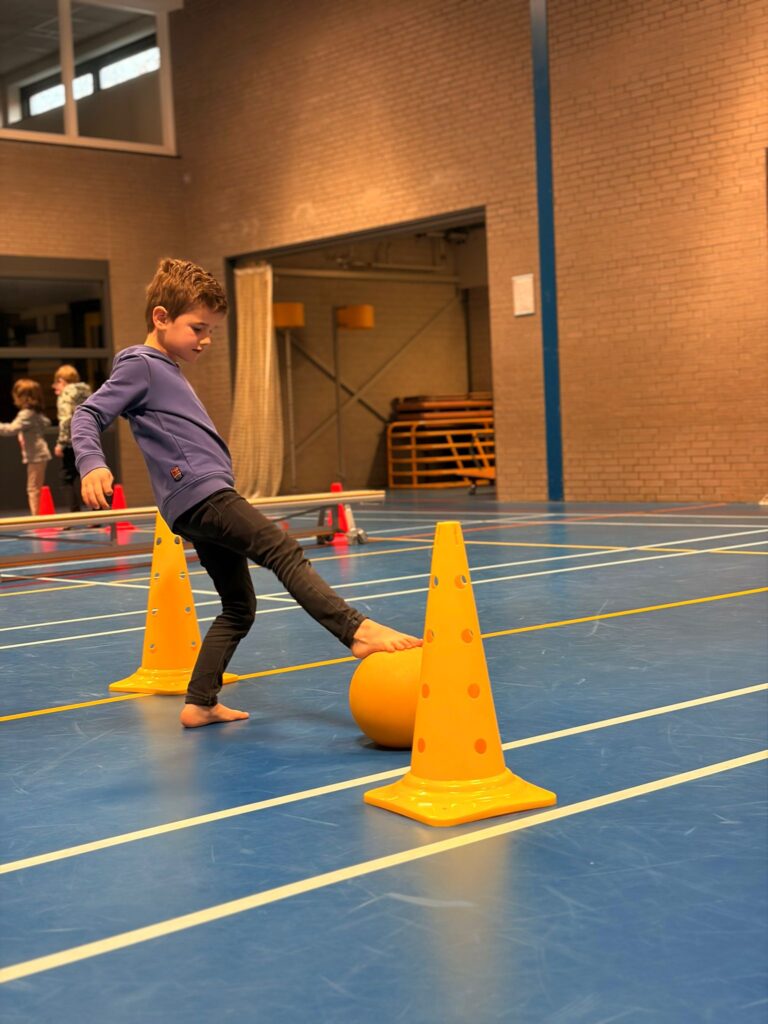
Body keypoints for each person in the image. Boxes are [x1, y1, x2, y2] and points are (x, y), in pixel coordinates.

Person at [72, 257, 422, 729]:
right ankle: (354, 630)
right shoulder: (142, 365)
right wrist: (92, 463)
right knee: (282, 550)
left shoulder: (164, 368)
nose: (206, 340)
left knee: (239, 607)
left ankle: (200, 701)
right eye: (198, 328)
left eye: (211, 330)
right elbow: (87, 414)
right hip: (201, 495)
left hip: (196, 500)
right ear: (161, 317)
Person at [0, 379, 52, 515]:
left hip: (36, 455)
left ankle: (36, 517)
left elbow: (11, 429)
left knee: (33, 488)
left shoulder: (27, 413)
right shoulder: (35, 412)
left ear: (23, 397)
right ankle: (37, 515)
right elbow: (46, 422)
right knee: (35, 487)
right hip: (38, 454)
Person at [52, 364, 92, 512]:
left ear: (61, 381)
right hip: (89, 438)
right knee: (88, 473)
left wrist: (61, 443)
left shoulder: (66, 394)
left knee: (67, 477)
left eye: (56, 382)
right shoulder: (87, 391)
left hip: (71, 441)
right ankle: (97, 511)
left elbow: (66, 420)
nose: (54, 386)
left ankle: (75, 513)